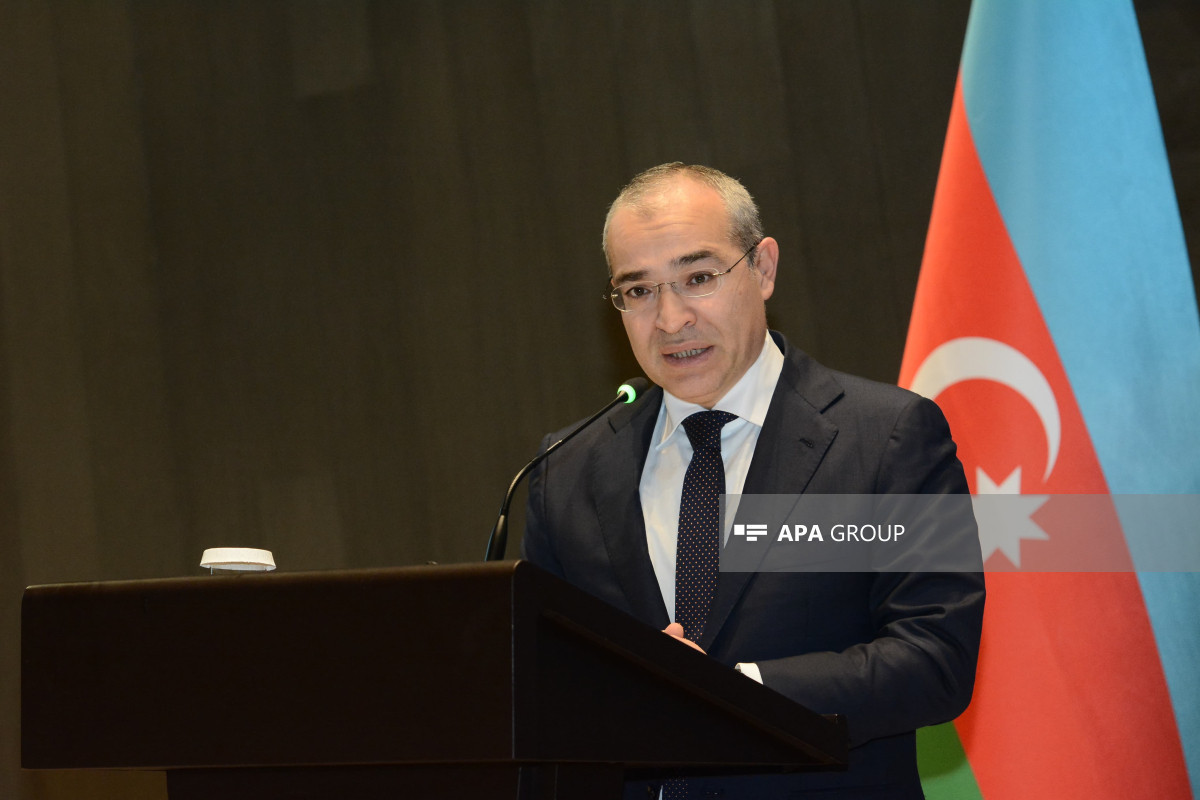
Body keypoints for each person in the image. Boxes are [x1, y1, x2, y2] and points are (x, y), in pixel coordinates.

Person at [521, 163, 984, 799]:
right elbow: (541, 678)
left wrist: (731, 691)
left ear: (763, 269)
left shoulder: (888, 438)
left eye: (698, 278)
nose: (670, 319)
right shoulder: (565, 469)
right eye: (639, 290)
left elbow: (934, 657)